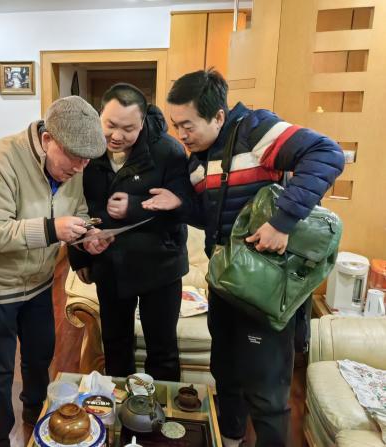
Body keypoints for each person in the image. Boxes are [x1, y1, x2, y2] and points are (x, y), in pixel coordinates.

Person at [142, 69, 344, 446]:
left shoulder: (256, 131)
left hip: (266, 289)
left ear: (218, 116)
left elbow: (326, 153)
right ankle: (231, 439)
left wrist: (282, 222)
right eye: (175, 125)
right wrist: (179, 204)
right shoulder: (198, 161)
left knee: (266, 392)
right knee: (226, 373)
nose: (181, 134)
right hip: (226, 284)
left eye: (187, 125)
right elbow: (210, 217)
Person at [0, 95, 111, 447]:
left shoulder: (73, 168)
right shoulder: (0, 160)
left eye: (87, 159)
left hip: (38, 282)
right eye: (74, 157)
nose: (80, 167)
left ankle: (35, 415)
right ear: (47, 139)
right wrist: (53, 229)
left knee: (40, 355)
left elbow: (78, 210)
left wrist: (87, 237)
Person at [68, 83, 189, 382]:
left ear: (143, 122)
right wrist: (80, 254)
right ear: (99, 116)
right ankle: (119, 403)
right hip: (110, 265)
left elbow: (185, 208)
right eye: (110, 125)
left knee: (162, 349)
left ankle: (160, 406)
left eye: (128, 129)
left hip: (160, 266)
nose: (117, 136)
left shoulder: (168, 151)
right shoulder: (86, 149)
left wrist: (135, 207)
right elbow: (74, 205)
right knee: (115, 345)